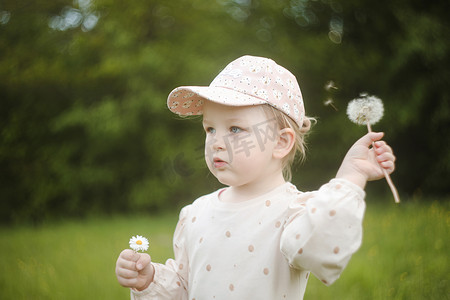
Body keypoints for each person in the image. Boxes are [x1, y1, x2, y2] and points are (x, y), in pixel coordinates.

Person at [115, 55, 396, 299]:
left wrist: (351, 175)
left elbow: (322, 249)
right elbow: (187, 289)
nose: (216, 142)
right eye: (210, 129)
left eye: (235, 129)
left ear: (280, 143)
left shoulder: (295, 213)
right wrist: (150, 280)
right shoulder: (195, 214)